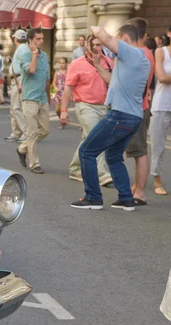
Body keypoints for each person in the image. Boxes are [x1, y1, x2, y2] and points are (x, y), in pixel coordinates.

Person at [71, 24, 150, 211]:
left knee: (86, 151)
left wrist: (93, 28)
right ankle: (126, 198)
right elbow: (111, 80)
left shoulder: (131, 52)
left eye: (117, 39)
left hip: (120, 115)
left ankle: (93, 198)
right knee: (113, 156)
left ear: (124, 38)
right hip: (132, 116)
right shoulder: (138, 60)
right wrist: (98, 64)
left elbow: (102, 35)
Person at [59, 35, 113, 187]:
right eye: (94, 44)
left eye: (99, 44)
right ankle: (102, 173)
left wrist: (98, 65)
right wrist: (64, 111)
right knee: (98, 137)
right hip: (85, 106)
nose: (97, 48)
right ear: (87, 46)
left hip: (104, 107)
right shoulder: (77, 64)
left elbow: (112, 83)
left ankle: (75, 168)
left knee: (87, 138)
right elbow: (68, 88)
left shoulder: (107, 62)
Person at [123, 17, 155, 207]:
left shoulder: (140, 54)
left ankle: (140, 192)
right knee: (137, 150)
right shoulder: (145, 52)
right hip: (140, 106)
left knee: (140, 150)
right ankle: (137, 187)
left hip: (138, 107)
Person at [15, 28, 51, 174]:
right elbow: (31, 70)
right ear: (31, 40)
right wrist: (34, 54)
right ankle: (34, 163)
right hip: (29, 98)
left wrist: (48, 96)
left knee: (44, 131)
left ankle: (21, 149)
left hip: (42, 98)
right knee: (32, 132)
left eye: (42, 38)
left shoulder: (45, 55)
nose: (41, 41)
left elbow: (47, 77)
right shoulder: (24, 55)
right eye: (38, 39)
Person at [150, 25, 171, 196]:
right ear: (169, 34)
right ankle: (157, 181)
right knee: (158, 145)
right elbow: (162, 77)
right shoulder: (161, 52)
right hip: (162, 104)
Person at [5, 30, 29, 143]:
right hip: (17, 79)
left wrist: (21, 82)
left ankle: (25, 133)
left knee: (17, 108)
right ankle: (16, 132)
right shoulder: (22, 48)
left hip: (19, 79)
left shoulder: (22, 49)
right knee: (14, 108)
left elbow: (26, 67)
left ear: (15, 39)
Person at [52, 57, 68, 128]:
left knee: (62, 109)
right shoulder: (57, 73)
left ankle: (62, 123)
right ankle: (62, 119)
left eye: (63, 63)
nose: (61, 65)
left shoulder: (69, 72)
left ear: (66, 64)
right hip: (58, 93)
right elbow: (54, 82)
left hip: (65, 93)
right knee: (57, 110)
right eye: (60, 63)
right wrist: (55, 87)